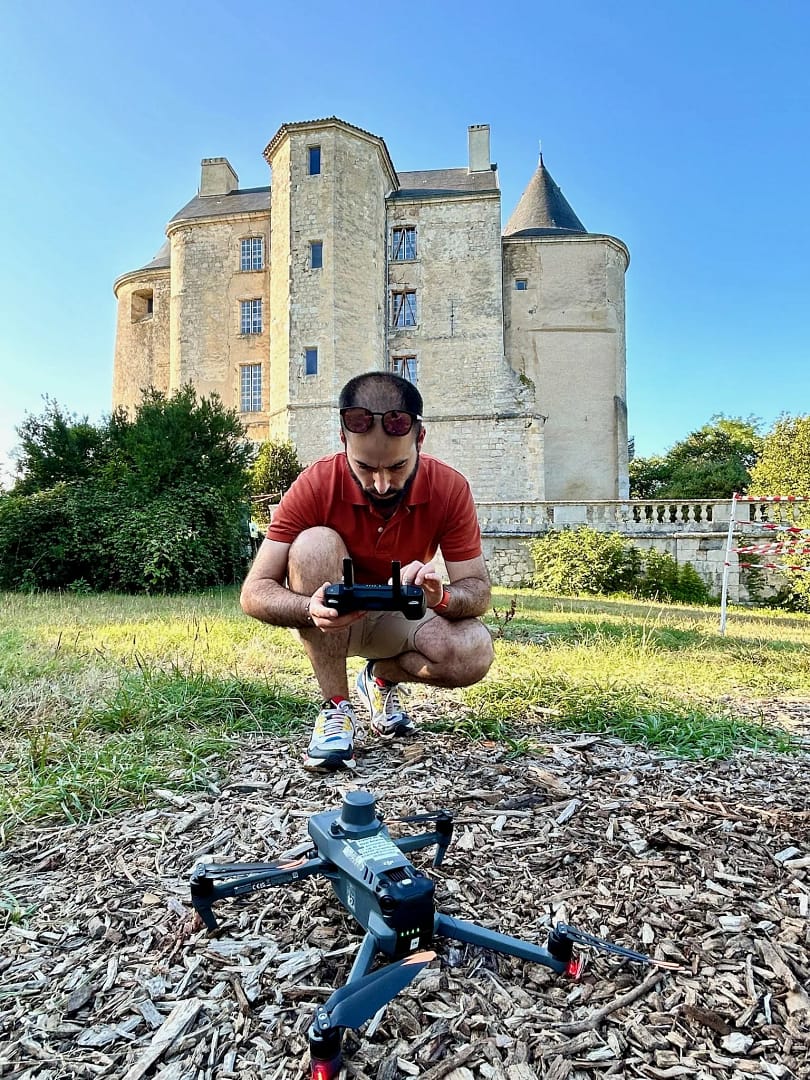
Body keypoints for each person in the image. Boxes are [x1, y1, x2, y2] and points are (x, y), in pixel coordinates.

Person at [240, 371, 494, 769]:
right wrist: (309, 608)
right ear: (343, 441)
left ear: (420, 440)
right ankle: (336, 707)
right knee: (314, 543)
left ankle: (379, 677)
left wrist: (441, 595)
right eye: (364, 467)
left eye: (397, 466)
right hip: (332, 621)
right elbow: (254, 592)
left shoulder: (449, 488)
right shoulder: (315, 483)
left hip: (402, 616)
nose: (381, 484)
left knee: (474, 651)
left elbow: (477, 591)